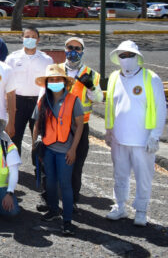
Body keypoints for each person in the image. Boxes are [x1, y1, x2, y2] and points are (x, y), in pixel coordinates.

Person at [104, 40, 166, 227]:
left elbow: (161, 108)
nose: (126, 58)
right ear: (118, 57)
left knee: (143, 176)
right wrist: (108, 131)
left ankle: (141, 211)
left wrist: (155, 135)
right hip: (119, 139)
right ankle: (120, 206)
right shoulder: (114, 77)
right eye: (123, 55)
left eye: (130, 55)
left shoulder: (150, 77)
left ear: (137, 57)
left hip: (142, 139)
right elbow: (110, 106)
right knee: (120, 175)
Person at [31, 64, 85, 236]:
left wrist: (73, 149)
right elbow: (37, 125)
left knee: (65, 185)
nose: (54, 82)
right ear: (47, 83)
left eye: (58, 79)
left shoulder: (73, 100)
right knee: (51, 182)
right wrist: (35, 147)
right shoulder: (42, 101)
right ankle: (54, 210)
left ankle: (67, 220)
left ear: (64, 81)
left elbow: (80, 126)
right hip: (47, 149)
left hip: (65, 151)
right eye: (51, 79)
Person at [61, 37, 103, 209]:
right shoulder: (56, 70)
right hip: (58, 124)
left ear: (83, 51)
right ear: (65, 49)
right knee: (53, 163)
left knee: (76, 165)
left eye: (77, 48)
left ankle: (72, 200)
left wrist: (91, 87)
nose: (73, 51)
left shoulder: (91, 74)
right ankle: (50, 199)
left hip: (80, 126)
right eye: (70, 47)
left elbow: (100, 99)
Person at [5, 27, 54, 155]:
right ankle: (13, 167)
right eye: (27, 37)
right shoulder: (12, 58)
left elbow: (50, 83)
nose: (30, 39)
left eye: (33, 37)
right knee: (14, 136)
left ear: (38, 40)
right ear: (22, 38)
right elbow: (5, 83)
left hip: (38, 102)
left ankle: (38, 170)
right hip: (17, 102)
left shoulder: (47, 60)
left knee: (39, 137)